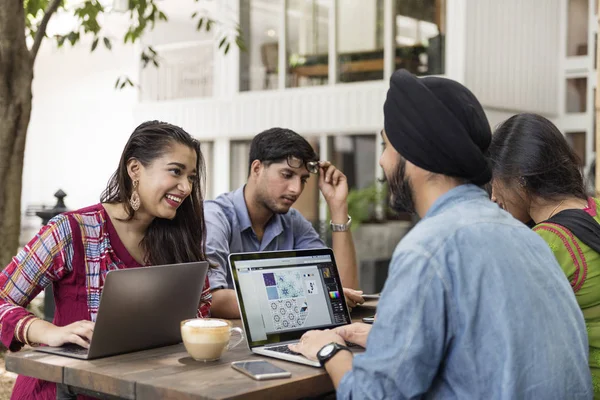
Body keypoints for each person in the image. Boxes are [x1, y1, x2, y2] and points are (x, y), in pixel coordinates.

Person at [289, 70, 592, 399]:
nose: (381, 161)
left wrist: (329, 350)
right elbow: (487, 352)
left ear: (416, 157)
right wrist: (385, 339)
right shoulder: (528, 239)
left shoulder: (429, 249)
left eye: (386, 145)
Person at [1, 121, 213, 400]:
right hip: (60, 392)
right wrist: (48, 332)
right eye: (176, 171)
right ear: (135, 169)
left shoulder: (177, 239)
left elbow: (201, 307)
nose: (186, 187)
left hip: (139, 390)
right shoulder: (71, 230)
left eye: (192, 177)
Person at [487, 113, 600, 397]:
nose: (492, 196)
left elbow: (503, 334)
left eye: (495, 181)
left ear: (521, 180)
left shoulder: (548, 242)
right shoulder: (596, 207)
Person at [205, 128, 363, 318]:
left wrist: (338, 209)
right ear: (257, 169)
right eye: (287, 175)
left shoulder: (294, 223)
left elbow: (344, 293)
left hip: (286, 338)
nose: (296, 189)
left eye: (303, 179)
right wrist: (308, 297)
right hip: (228, 344)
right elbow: (213, 299)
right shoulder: (215, 217)